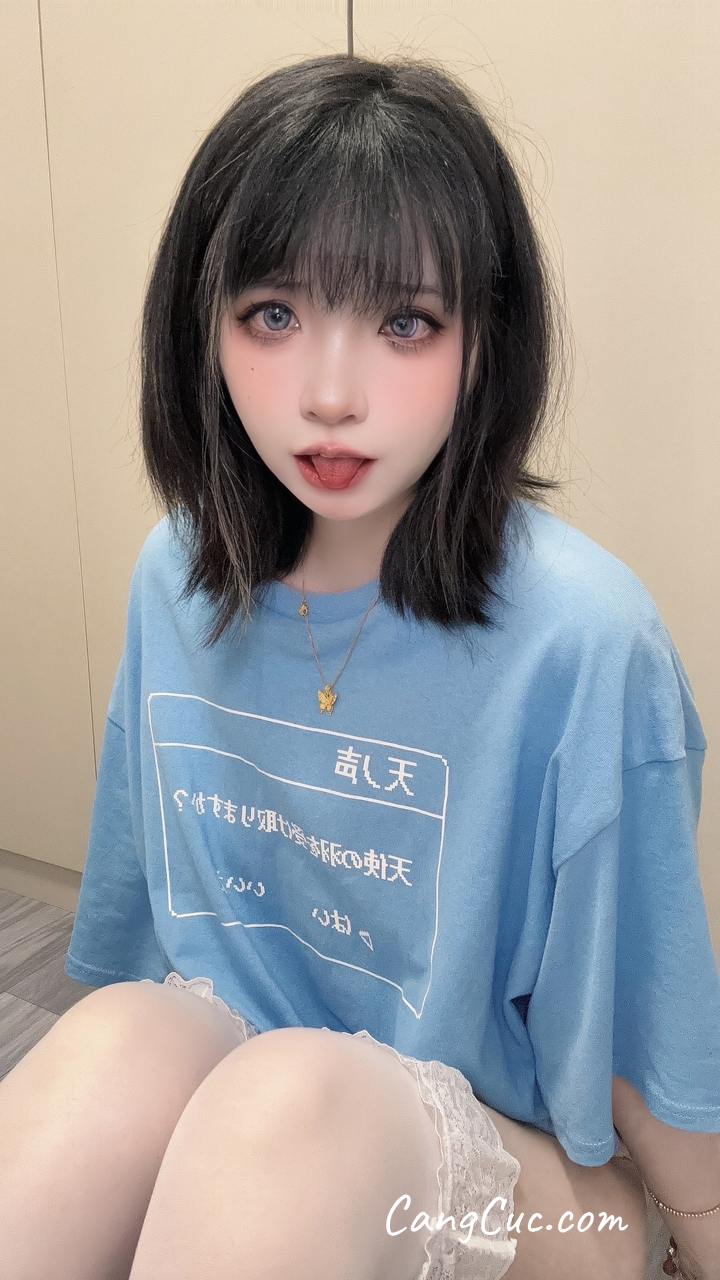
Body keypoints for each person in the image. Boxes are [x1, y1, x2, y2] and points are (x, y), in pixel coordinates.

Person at [1, 53, 718, 1280]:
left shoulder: (584, 636)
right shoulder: (177, 574)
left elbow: (643, 1033)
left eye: (404, 322)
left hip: (531, 1181)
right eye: (274, 315)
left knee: (292, 1099)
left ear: (484, 340)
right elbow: (136, 949)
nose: (331, 396)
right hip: (249, 1088)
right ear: (202, 326)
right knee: (122, 1036)